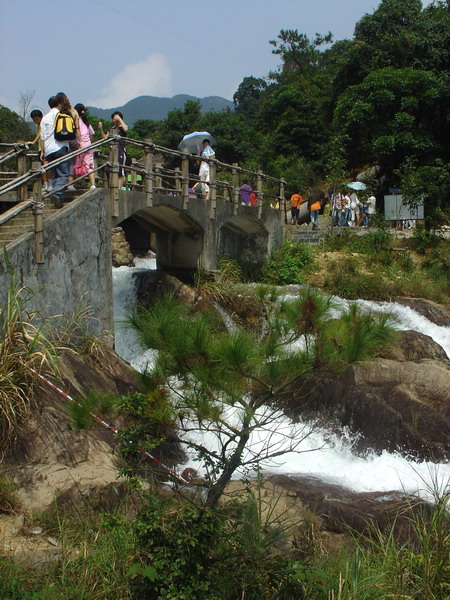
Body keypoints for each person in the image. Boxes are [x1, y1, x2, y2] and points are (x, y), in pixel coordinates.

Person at [40, 96, 69, 205]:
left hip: (48, 149)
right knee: (64, 174)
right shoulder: (61, 115)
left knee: (54, 175)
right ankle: (56, 194)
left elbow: (42, 137)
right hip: (60, 146)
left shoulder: (45, 118)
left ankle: (58, 199)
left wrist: (42, 151)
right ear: (59, 104)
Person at [56, 92, 81, 190]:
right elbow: (77, 128)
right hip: (72, 139)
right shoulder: (74, 112)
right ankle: (70, 184)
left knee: (61, 161)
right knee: (71, 162)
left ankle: (59, 183)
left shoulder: (58, 113)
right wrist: (80, 141)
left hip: (61, 140)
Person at [99, 111, 129, 189]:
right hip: (111, 151)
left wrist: (120, 119)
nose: (115, 119)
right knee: (107, 168)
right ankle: (113, 186)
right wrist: (101, 129)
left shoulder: (122, 127)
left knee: (120, 171)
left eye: (116, 118)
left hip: (120, 150)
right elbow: (105, 139)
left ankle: (118, 189)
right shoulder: (111, 129)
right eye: (113, 118)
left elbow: (126, 129)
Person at [26, 110, 50, 191]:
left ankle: (48, 184)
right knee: (42, 167)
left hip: (45, 147)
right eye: (34, 120)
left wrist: (33, 141)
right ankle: (46, 184)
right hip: (41, 148)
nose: (36, 121)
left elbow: (41, 134)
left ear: (41, 117)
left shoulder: (44, 122)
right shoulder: (38, 125)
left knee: (46, 166)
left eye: (37, 119)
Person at [74, 103, 96, 188]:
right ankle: (93, 185)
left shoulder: (75, 123)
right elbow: (91, 135)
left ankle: (74, 184)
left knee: (77, 165)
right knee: (90, 165)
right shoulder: (86, 123)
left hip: (79, 146)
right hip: (88, 145)